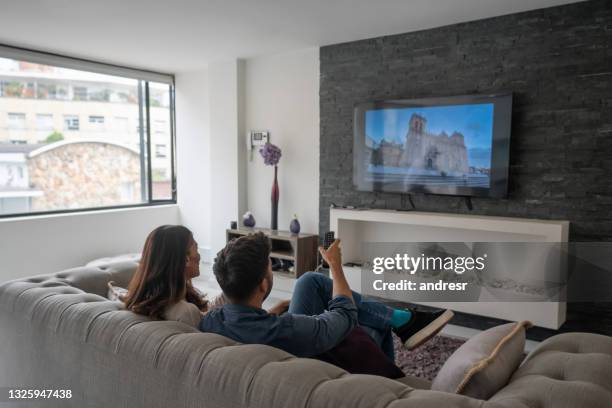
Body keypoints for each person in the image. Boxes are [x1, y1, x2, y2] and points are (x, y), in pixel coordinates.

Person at [200, 232, 453, 360]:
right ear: (263, 285)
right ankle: (390, 376)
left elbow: (249, 325)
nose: (271, 266)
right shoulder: (288, 329)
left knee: (308, 281)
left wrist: (272, 310)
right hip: (307, 365)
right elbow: (344, 313)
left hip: (276, 344)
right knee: (374, 327)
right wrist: (335, 266)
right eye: (270, 264)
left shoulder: (210, 321)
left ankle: (403, 321)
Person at [124, 225, 209, 327]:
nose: (199, 256)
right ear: (186, 259)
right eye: (196, 248)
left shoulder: (141, 302)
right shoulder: (186, 313)